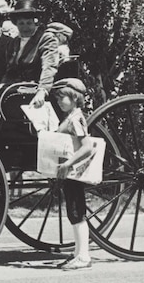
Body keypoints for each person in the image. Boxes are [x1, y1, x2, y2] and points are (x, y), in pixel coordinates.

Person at [0, 0, 59, 136]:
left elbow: (49, 67)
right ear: (16, 24)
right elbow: (10, 70)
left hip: (32, 88)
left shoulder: (45, 38)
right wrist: (1, 84)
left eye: (28, 23)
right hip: (15, 87)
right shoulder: (15, 43)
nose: (25, 27)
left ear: (35, 22)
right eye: (21, 23)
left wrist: (42, 91)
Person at [53, 77, 93, 271]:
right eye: (59, 98)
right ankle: (78, 253)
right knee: (74, 212)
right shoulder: (70, 118)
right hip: (70, 173)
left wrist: (68, 163)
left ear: (75, 98)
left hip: (74, 172)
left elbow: (87, 148)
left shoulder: (76, 119)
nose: (60, 101)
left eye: (64, 98)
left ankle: (84, 256)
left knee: (77, 213)